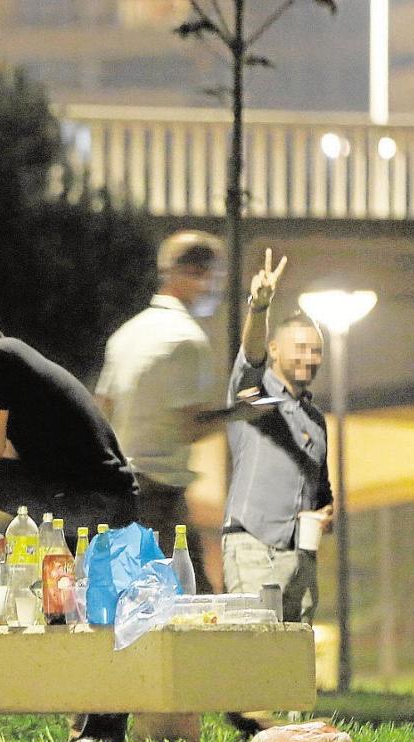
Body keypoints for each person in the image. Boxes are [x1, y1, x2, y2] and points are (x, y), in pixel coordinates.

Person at [0, 295, 138, 742]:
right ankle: (100, 732)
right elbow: (8, 449)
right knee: (96, 614)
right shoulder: (15, 359)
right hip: (97, 496)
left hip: (91, 499)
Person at [94, 230, 232, 592]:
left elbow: (102, 411)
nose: (216, 290)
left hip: (119, 491)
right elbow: (189, 426)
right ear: (193, 274)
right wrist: (241, 414)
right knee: (192, 600)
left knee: (126, 601)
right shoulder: (186, 339)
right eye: (214, 278)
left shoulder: (126, 334)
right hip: (160, 493)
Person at [222, 249, 332, 625]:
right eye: (300, 348)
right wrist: (259, 306)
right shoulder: (258, 396)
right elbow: (250, 358)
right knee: (252, 652)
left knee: (293, 660)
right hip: (253, 545)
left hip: (299, 555)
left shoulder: (316, 420)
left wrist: (325, 513)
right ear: (274, 350)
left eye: (316, 350)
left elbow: (323, 491)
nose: (310, 357)